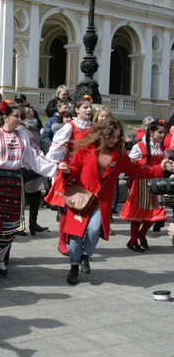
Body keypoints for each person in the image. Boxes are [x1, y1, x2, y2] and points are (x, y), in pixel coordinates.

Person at [0, 101, 68, 281]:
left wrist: (56, 166)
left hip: (14, 182)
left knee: (11, 224)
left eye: (20, 117)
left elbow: (36, 157)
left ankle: (1, 258)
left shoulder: (23, 136)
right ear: (5, 117)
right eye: (16, 116)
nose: (19, 120)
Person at [63, 117, 172, 285]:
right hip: (81, 197)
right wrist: (68, 171)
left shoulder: (119, 155)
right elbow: (75, 168)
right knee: (76, 237)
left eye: (117, 137)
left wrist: (160, 169)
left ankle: (86, 255)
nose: (114, 140)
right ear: (102, 134)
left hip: (102, 200)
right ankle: (74, 267)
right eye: (111, 136)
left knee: (93, 230)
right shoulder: (86, 149)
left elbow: (137, 170)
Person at [45, 95, 93, 256]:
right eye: (85, 107)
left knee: (83, 205)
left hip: (87, 172)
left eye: (90, 107)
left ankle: (72, 236)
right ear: (77, 110)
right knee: (68, 206)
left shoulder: (93, 128)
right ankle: (61, 240)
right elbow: (56, 148)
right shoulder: (70, 126)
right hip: (71, 170)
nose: (89, 110)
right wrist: (55, 164)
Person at [119, 120, 168, 251]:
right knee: (139, 214)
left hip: (157, 183)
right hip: (142, 183)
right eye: (160, 132)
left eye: (164, 132)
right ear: (151, 132)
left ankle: (141, 234)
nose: (162, 135)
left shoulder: (158, 146)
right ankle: (133, 240)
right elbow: (131, 164)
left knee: (156, 213)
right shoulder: (140, 146)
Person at [20, 105, 49, 236]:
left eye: (31, 110)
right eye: (26, 111)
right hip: (25, 165)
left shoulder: (35, 127)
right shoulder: (20, 128)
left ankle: (33, 223)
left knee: (36, 194)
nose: (30, 112)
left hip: (37, 164)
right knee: (23, 197)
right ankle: (20, 225)